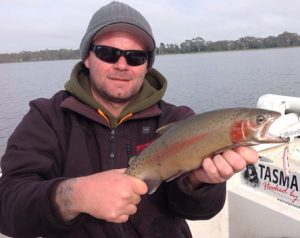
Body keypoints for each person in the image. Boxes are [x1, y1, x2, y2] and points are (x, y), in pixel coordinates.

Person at [0, 1, 258, 237]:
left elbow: (199, 212)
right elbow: (7, 207)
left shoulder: (178, 120)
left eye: (136, 57)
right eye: (108, 53)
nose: (122, 65)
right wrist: (72, 196)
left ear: (147, 65)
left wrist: (200, 183)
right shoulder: (48, 117)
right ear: (88, 58)